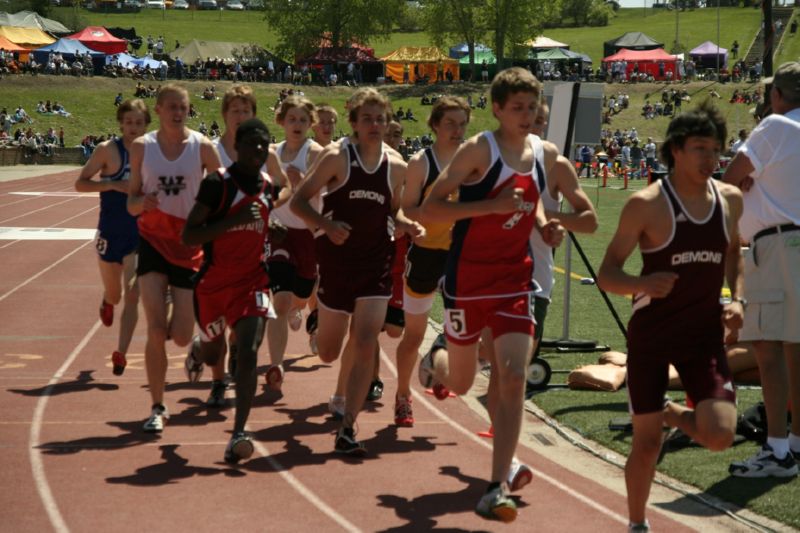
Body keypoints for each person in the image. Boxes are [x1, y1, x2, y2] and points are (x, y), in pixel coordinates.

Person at [417, 68, 564, 522]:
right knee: (461, 382)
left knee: (514, 375)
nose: (526, 115)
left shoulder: (543, 151)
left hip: (514, 280)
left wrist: (543, 225)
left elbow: (532, 196)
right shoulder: (479, 148)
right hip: (468, 281)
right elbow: (432, 206)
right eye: (516, 107)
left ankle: (496, 485)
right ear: (497, 109)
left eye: (532, 107)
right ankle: (433, 362)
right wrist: (489, 207)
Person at [598, 102, 743, 530]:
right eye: (700, 148)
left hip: (703, 336)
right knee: (646, 446)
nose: (710, 159)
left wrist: (738, 298)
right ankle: (638, 524)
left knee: (719, 435)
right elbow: (608, 273)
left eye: (716, 150)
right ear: (675, 150)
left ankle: (669, 412)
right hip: (653, 336)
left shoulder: (729, 199)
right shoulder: (645, 204)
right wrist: (641, 284)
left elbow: (735, 251)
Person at [291, 88, 424, 454]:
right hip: (336, 264)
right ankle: (320, 327)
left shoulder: (397, 164)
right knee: (330, 353)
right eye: (367, 118)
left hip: (376, 264)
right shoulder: (336, 157)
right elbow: (298, 201)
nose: (375, 125)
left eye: (380, 119)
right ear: (353, 122)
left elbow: (392, 211)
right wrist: (325, 225)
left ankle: (348, 427)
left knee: (367, 340)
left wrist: (407, 225)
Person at [127, 84, 222, 433]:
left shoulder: (201, 147)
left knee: (180, 335)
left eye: (182, 107)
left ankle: (195, 347)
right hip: (152, 240)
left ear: (189, 110)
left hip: (187, 244)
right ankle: (157, 405)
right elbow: (131, 202)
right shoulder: (142, 148)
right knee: (154, 329)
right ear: (158, 109)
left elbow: (221, 187)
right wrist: (142, 204)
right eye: (170, 107)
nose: (177, 112)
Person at [182, 118, 275, 463]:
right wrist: (234, 222)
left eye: (265, 144)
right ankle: (199, 348)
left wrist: (274, 230)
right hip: (213, 286)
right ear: (237, 147)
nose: (260, 150)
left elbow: (263, 224)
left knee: (249, 352)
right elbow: (190, 235)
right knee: (212, 354)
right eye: (253, 144)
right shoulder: (216, 184)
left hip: (253, 282)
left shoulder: (268, 185)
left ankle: (239, 430)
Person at [724, 62, 800, 477]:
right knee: (796, 350)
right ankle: (794, 445)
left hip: (778, 246)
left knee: (768, 349)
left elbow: (731, 178)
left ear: (777, 96)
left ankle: (777, 449)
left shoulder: (775, 126)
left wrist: (746, 181)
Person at [202, 84, 287, 406]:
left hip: (255, 249)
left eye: (246, 111)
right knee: (217, 323)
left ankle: (234, 358)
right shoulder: (210, 151)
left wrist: (272, 206)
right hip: (218, 249)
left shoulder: (266, 151)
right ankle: (217, 380)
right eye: (235, 111)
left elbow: (285, 183)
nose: (240, 116)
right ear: (224, 115)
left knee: (246, 317)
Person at [394, 96, 470, 427]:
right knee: (413, 334)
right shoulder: (421, 163)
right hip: (425, 254)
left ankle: (436, 357)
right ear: (436, 125)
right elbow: (405, 209)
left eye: (462, 123)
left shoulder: (474, 163)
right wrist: (416, 224)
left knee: (466, 331)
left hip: (460, 258)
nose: (457, 130)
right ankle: (402, 396)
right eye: (450, 123)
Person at [75, 99, 150, 376]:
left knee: (133, 293)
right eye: (129, 122)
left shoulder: (153, 152)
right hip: (110, 231)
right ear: (121, 123)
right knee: (116, 294)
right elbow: (80, 183)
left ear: (147, 125)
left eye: (139, 123)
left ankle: (121, 351)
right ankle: (107, 302)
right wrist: (110, 184)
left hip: (138, 233)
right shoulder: (107, 150)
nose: (133, 127)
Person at [267, 96, 324, 392]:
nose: (297, 125)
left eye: (303, 120)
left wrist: (300, 182)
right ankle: (276, 364)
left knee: (301, 294)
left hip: (307, 234)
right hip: (278, 231)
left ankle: (298, 307)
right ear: (281, 121)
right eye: (292, 119)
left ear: (310, 123)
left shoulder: (315, 153)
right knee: (279, 300)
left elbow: (319, 196)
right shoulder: (271, 153)